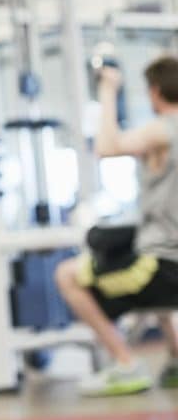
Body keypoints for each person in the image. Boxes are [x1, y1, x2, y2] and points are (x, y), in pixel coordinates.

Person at [56, 55, 178, 396]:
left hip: (163, 268)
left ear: (155, 92)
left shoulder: (165, 128)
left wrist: (108, 91)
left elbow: (106, 148)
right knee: (133, 251)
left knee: (67, 275)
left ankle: (125, 363)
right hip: (167, 261)